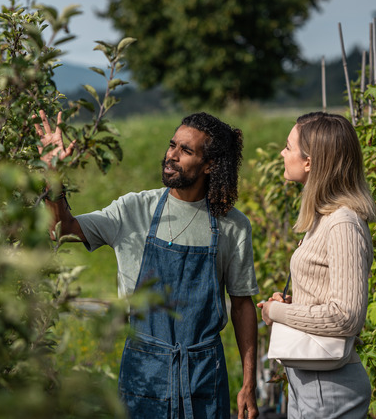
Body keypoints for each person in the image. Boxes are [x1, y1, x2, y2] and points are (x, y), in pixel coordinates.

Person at [35, 110, 259, 419]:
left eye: (186, 150)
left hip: (205, 374)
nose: (171, 155)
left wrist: (249, 384)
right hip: (144, 371)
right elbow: (61, 230)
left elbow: (243, 304)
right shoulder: (134, 209)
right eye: (172, 145)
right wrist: (53, 177)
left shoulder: (233, 226)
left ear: (210, 165)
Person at [257, 112, 376, 418]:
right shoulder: (324, 220)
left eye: (288, 147)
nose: (282, 154)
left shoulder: (342, 224)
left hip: (329, 385)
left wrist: (277, 312)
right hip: (311, 380)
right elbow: (326, 298)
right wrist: (296, 305)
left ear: (309, 161)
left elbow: (346, 316)